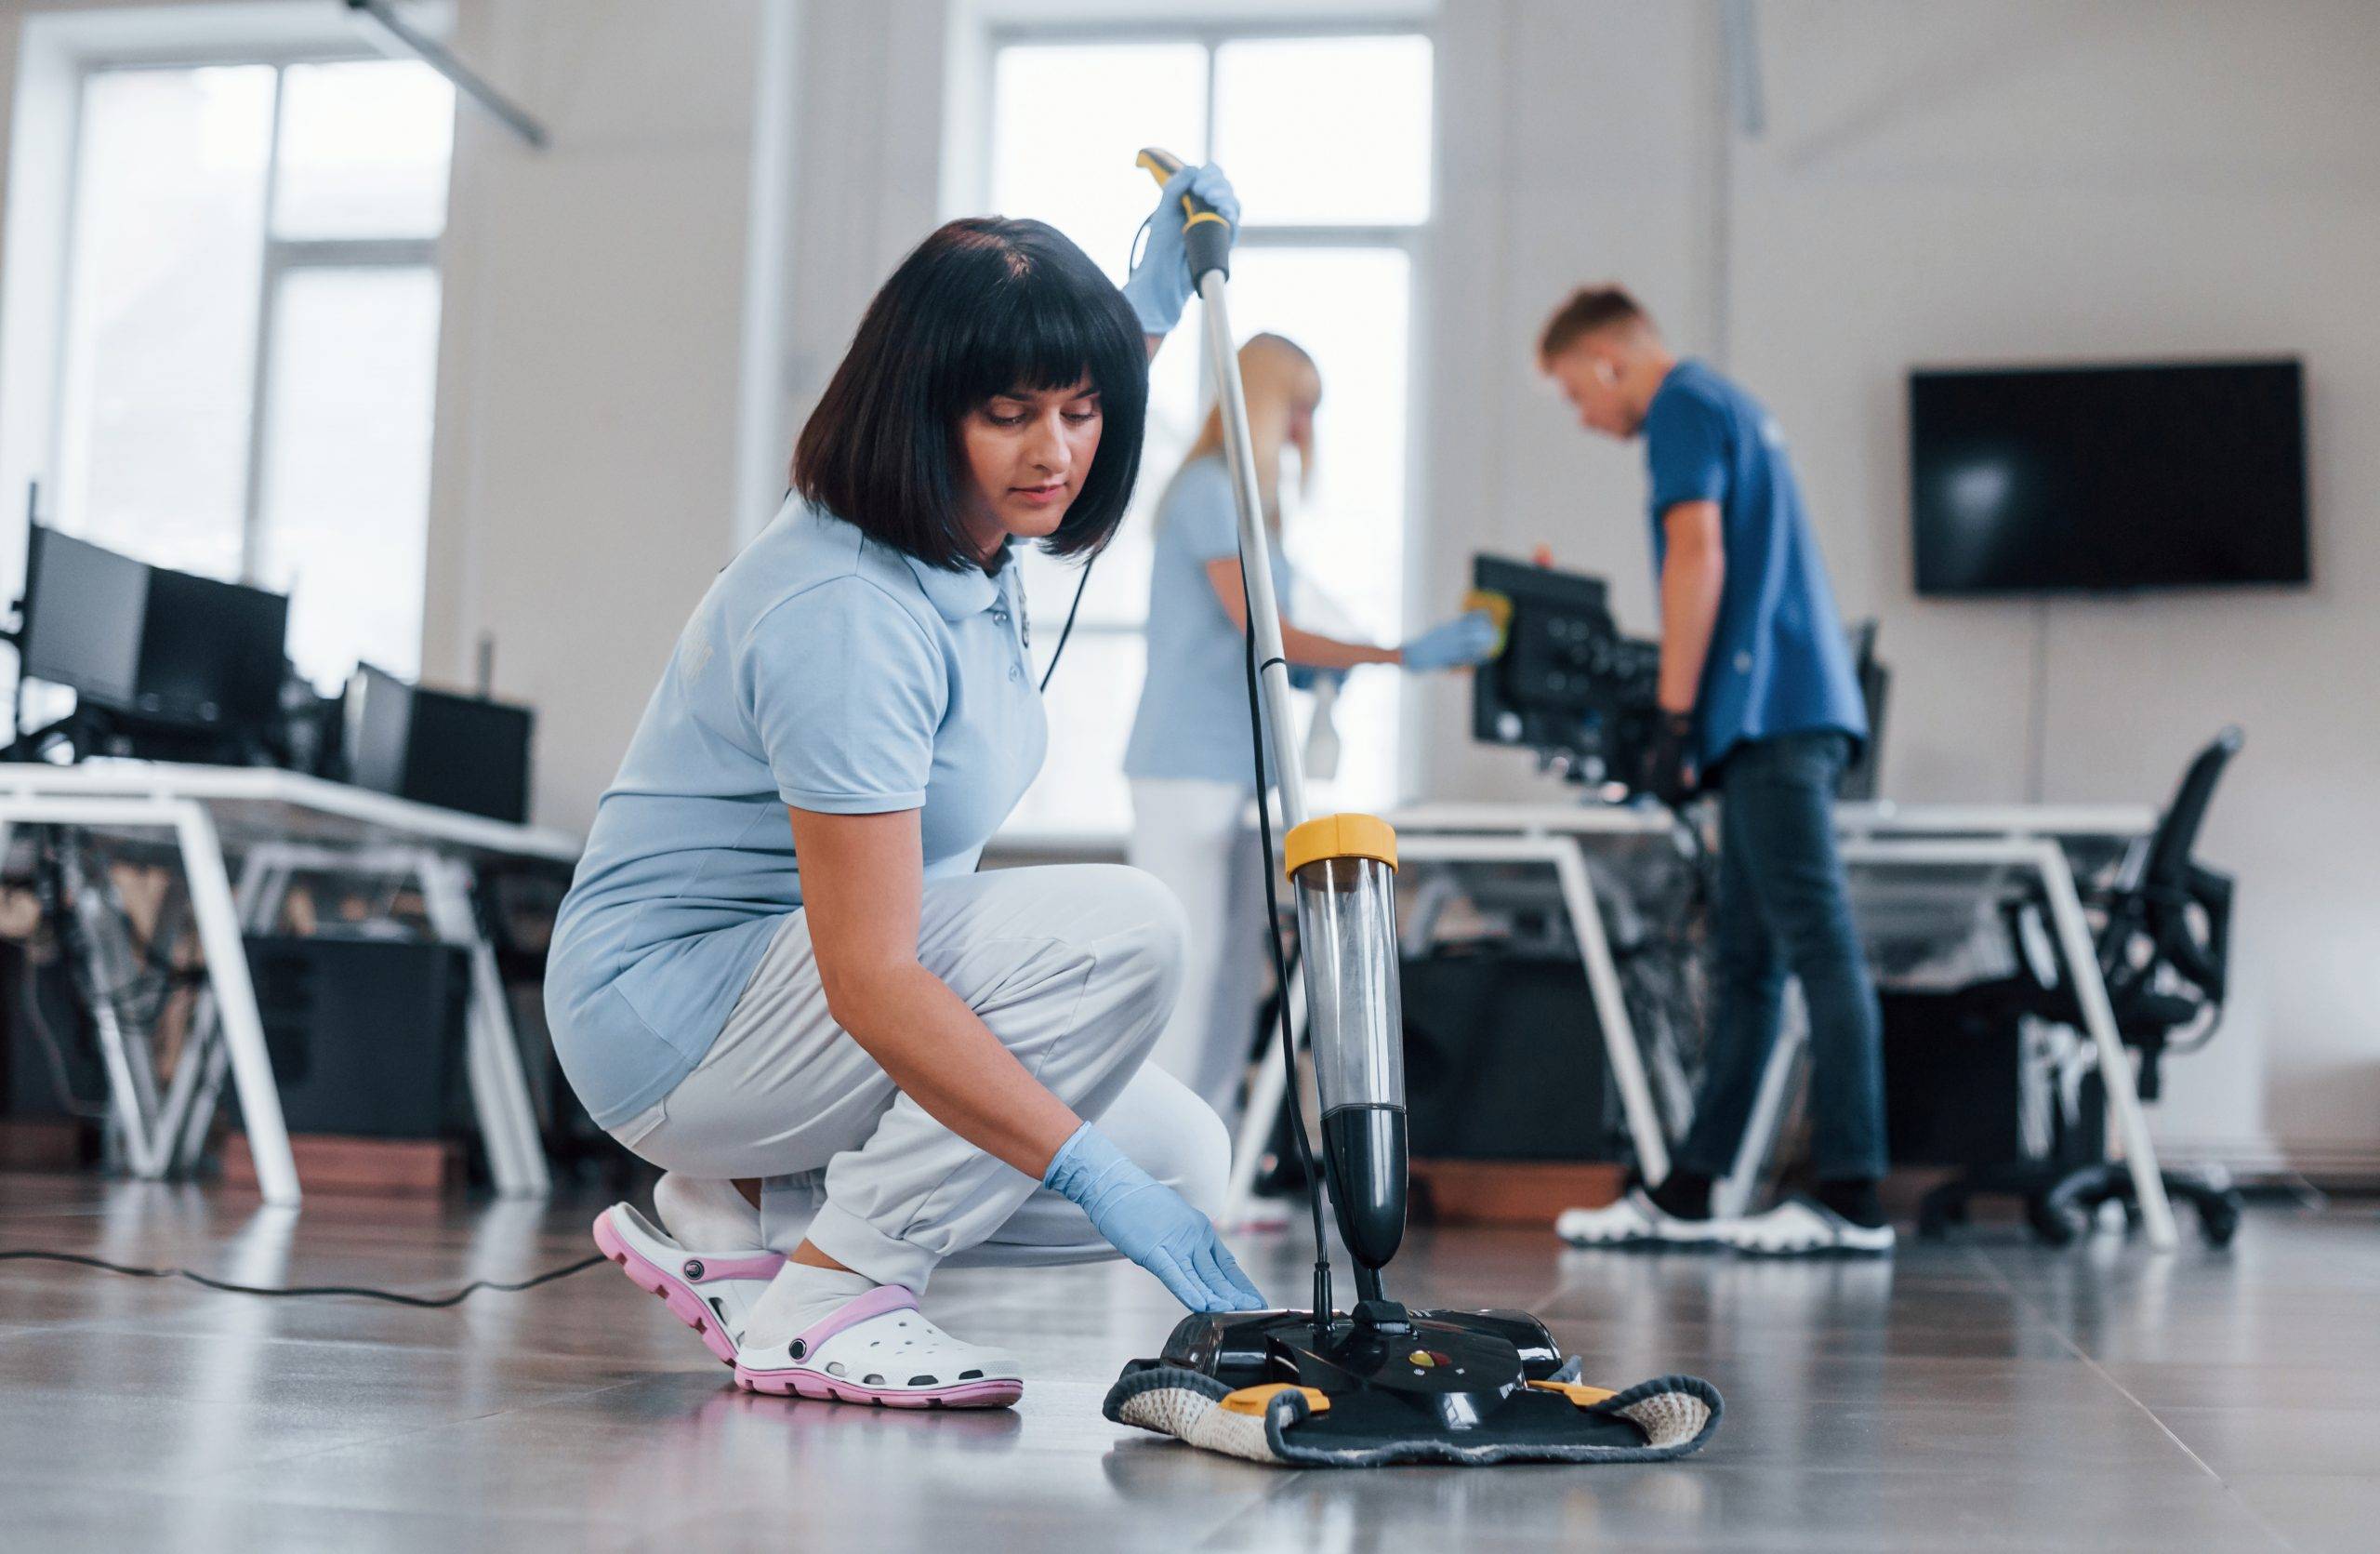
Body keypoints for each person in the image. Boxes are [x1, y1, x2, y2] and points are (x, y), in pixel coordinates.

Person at [545, 165, 1267, 1413]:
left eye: (1085, 409)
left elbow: (1051, 401)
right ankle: (831, 1290)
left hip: (787, 1004)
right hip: (677, 1012)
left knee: (1190, 1161)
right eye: (1010, 413)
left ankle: (754, 1222)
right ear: (925, 412)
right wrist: (1083, 1164)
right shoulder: (850, 610)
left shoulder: (967, 534)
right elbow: (870, 974)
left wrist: (1136, 312)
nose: (1055, 454)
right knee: (1127, 932)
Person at [1535, 286, 1891, 1256]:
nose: (1584, 416)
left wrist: (1676, 714)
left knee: (1813, 945)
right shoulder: (1731, 407)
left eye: (1576, 394)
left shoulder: (1683, 408)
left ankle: (1853, 1198)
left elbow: (1695, 553)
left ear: (1609, 361)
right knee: (1747, 962)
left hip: (1769, 714)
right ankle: (1690, 1192)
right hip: (1777, 712)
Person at [1122, 333, 1498, 1126]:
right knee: (1184, 976)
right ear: (1258, 401)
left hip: (1231, 769)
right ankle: (1151, 1164)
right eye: (1295, 409)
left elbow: (1286, 632)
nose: (1302, 432)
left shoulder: (1254, 510)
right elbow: (1266, 627)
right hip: (1184, 767)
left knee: (1230, 974)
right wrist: (1398, 654)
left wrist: (1348, 660)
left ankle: (1209, 1167)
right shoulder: (1207, 491)